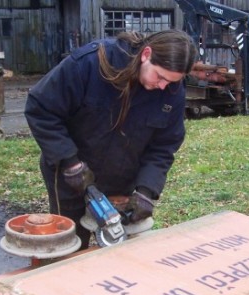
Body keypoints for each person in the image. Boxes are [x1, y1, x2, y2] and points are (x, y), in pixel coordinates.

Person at [25, 29, 197, 248]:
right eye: (160, 77)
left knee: (119, 251)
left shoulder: (172, 91)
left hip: (122, 178)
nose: (163, 86)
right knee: (70, 246)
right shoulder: (89, 64)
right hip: (72, 173)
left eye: (171, 82)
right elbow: (41, 107)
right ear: (146, 54)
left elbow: (164, 146)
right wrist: (69, 162)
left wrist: (146, 191)